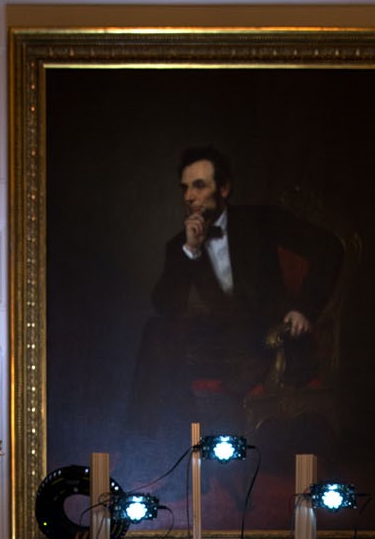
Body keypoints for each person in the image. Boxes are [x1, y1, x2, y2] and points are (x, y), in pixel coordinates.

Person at [125, 146, 343, 454]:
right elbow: (164, 304)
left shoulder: (262, 222)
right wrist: (190, 252)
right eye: (185, 187)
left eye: (199, 185)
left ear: (224, 188)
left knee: (168, 352)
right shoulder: (181, 243)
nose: (189, 196)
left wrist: (303, 308)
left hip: (264, 339)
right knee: (156, 331)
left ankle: (170, 451)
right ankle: (145, 448)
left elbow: (330, 248)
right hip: (215, 342)